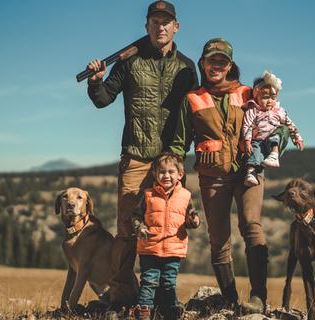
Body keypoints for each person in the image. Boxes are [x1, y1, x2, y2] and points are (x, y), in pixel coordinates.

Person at [86, 0, 198, 310]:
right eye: (154, 21)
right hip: (135, 155)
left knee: (168, 228)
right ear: (146, 26)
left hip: (171, 161)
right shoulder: (129, 62)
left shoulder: (187, 66)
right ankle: (122, 298)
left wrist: (188, 152)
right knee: (127, 230)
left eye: (166, 21)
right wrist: (96, 80)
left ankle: (161, 298)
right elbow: (103, 98)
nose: (160, 26)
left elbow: (195, 113)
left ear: (176, 27)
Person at [170, 38, 286, 314]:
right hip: (212, 176)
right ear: (203, 63)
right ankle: (231, 300)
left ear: (230, 66)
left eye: (222, 62)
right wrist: (175, 176)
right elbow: (179, 143)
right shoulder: (192, 99)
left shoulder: (249, 93)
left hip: (249, 171)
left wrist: (279, 144)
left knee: (251, 226)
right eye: (211, 61)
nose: (216, 66)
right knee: (218, 238)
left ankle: (258, 297)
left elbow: (277, 121)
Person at [132, 152, 200, 320]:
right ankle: (144, 313)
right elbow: (136, 216)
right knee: (149, 282)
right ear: (154, 174)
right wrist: (139, 228)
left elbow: (191, 217)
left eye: (171, 172)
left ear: (180, 174)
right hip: (150, 248)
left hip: (173, 249)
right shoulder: (148, 195)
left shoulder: (185, 195)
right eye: (162, 172)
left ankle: (170, 313)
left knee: (169, 283)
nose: (166, 175)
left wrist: (194, 221)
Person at [242, 70, 304, 187]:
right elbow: (247, 125)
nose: (270, 101)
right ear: (256, 96)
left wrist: (297, 138)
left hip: (273, 141)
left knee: (282, 129)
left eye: (273, 97)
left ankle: (274, 155)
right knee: (255, 151)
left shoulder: (279, 111)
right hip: (259, 140)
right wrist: (247, 140)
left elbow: (290, 124)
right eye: (265, 97)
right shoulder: (253, 110)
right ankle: (251, 173)